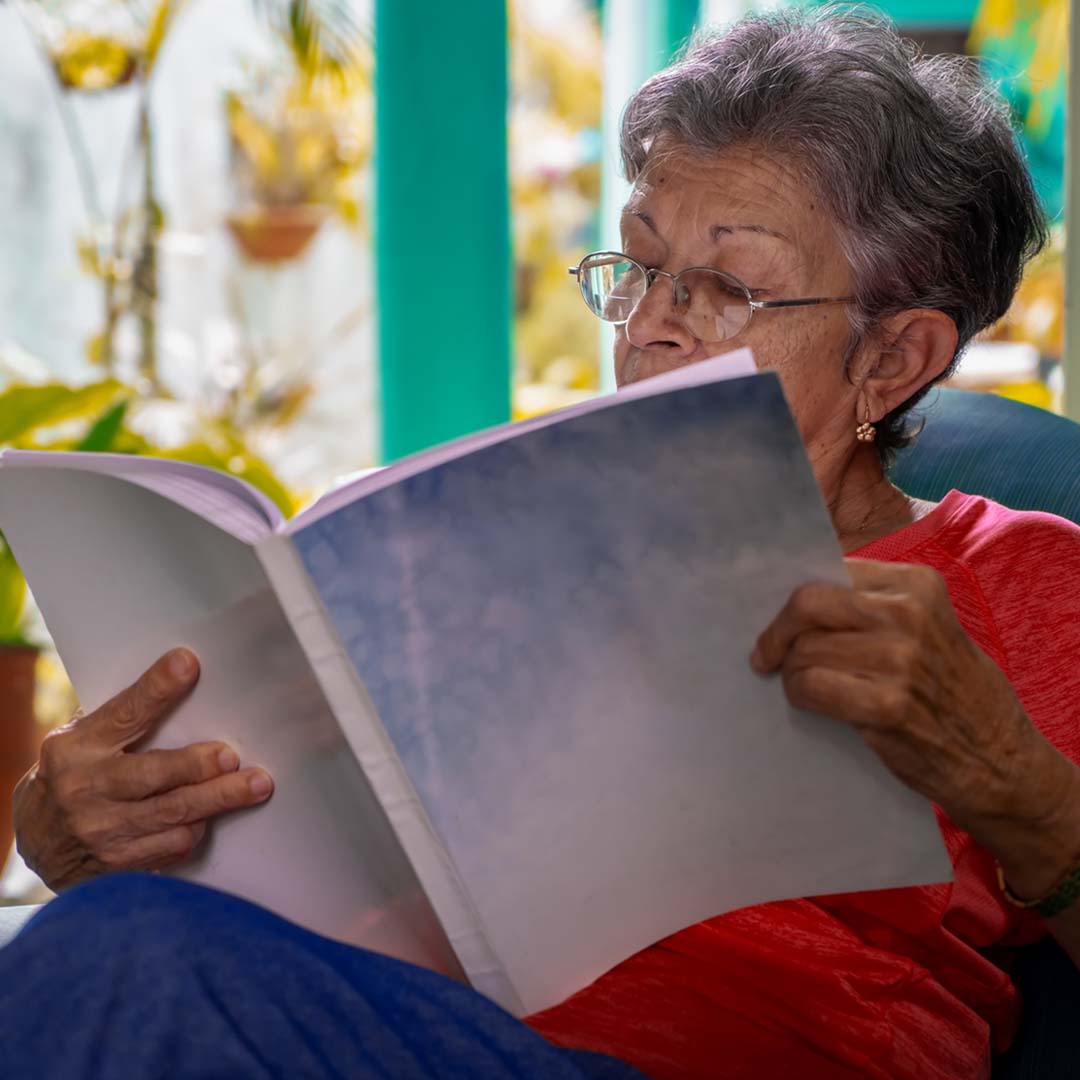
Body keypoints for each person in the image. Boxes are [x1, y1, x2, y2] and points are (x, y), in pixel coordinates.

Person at [6, 8, 1080, 1079]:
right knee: (119, 939)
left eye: (725, 290)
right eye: (643, 267)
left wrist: (1020, 788)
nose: (652, 321)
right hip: (398, 1035)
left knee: (125, 960)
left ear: (892, 358)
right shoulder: (453, 541)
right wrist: (72, 838)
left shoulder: (1021, 580)